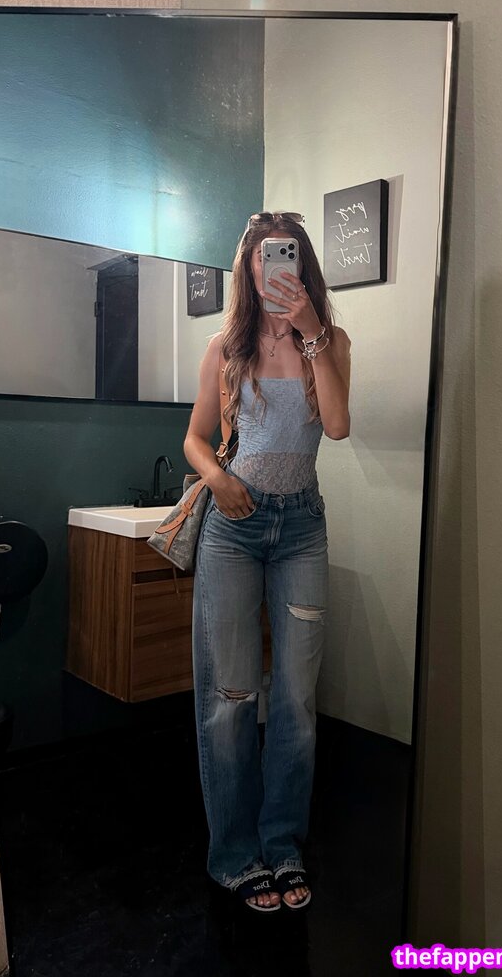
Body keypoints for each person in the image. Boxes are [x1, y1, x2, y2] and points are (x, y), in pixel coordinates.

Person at [183, 211, 351, 914]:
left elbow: (336, 425)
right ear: (248, 269)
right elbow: (195, 438)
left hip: (302, 528)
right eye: (261, 257)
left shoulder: (331, 339)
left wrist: (311, 330)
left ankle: (281, 844)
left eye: (285, 255)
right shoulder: (226, 346)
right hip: (234, 526)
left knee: (295, 701)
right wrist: (217, 479)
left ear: (301, 264)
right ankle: (234, 854)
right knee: (230, 699)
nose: (272, 266)